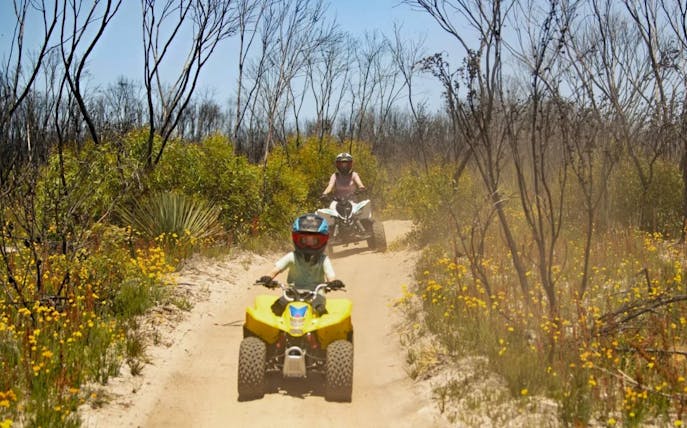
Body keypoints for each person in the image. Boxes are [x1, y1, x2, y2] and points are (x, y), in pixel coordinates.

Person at [257, 213, 342, 316]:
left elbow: (330, 277)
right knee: (276, 309)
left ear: (322, 240)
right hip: (292, 293)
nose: (309, 244)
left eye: (314, 240)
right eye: (304, 240)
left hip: (316, 295)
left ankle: (323, 332)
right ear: (297, 239)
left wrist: (333, 283)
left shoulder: (323, 260)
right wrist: (268, 277)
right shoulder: (292, 256)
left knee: (321, 311)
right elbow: (276, 269)